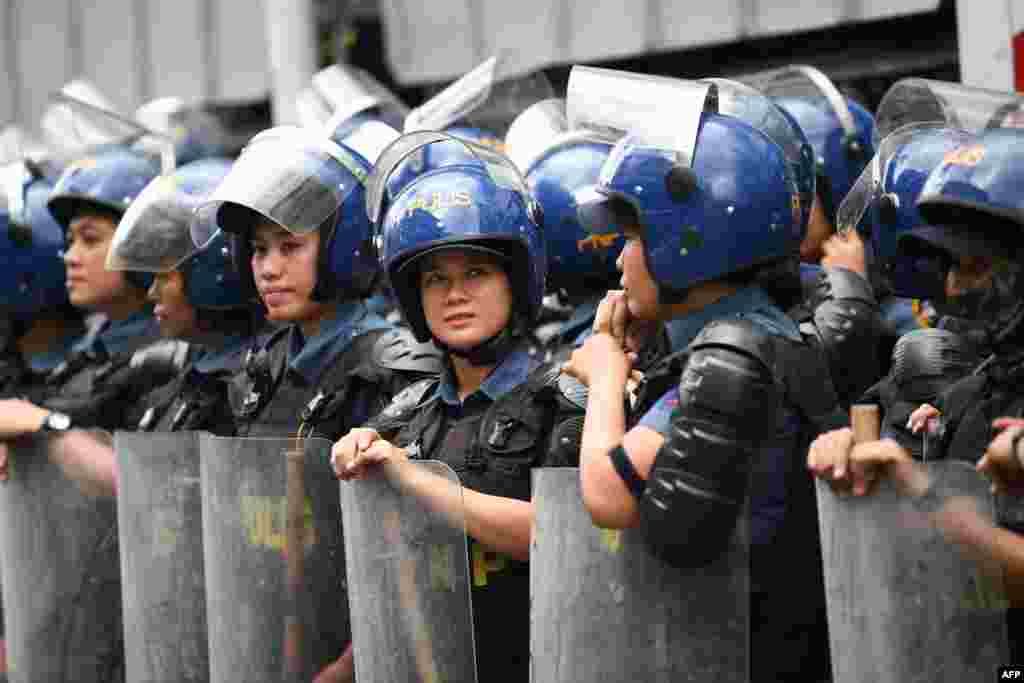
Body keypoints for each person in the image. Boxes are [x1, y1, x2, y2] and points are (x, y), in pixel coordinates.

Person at [562, 75, 880, 682]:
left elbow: (606, 494)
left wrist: (604, 373)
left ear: (691, 239)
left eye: (632, 235)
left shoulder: (729, 354)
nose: (619, 257)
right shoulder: (764, 331)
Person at [331, 132, 586, 682]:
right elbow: (392, 573)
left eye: (476, 273)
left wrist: (412, 477)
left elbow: (558, 535)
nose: (454, 294)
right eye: (435, 279)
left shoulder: (565, 395)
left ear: (516, 281)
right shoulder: (403, 414)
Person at [192, 125, 442, 682]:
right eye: (257, 249)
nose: (268, 267)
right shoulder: (266, 359)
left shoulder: (391, 365)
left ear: (343, 245)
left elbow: (406, 549)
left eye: (290, 246)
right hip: (273, 630)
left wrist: (353, 665)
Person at [809, 126, 1024, 660]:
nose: (951, 288)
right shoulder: (973, 397)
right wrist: (859, 463)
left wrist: (920, 492)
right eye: (950, 266)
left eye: (974, 267)